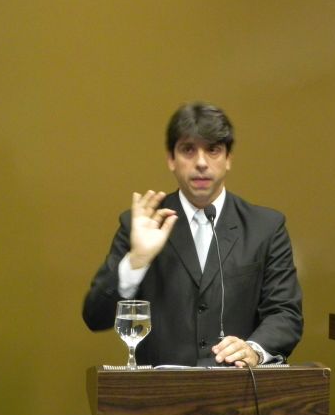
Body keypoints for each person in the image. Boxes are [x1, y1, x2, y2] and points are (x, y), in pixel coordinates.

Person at [82, 101, 303, 367]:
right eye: (188, 150)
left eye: (213, 150)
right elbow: (95, 317)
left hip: (239, 386)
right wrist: (136, 260)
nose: (201, 163)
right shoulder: (140, 224)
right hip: (160, 390)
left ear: (228, 158)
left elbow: (285, 314)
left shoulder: (265, 227)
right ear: (171, 159)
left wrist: (253, 350)